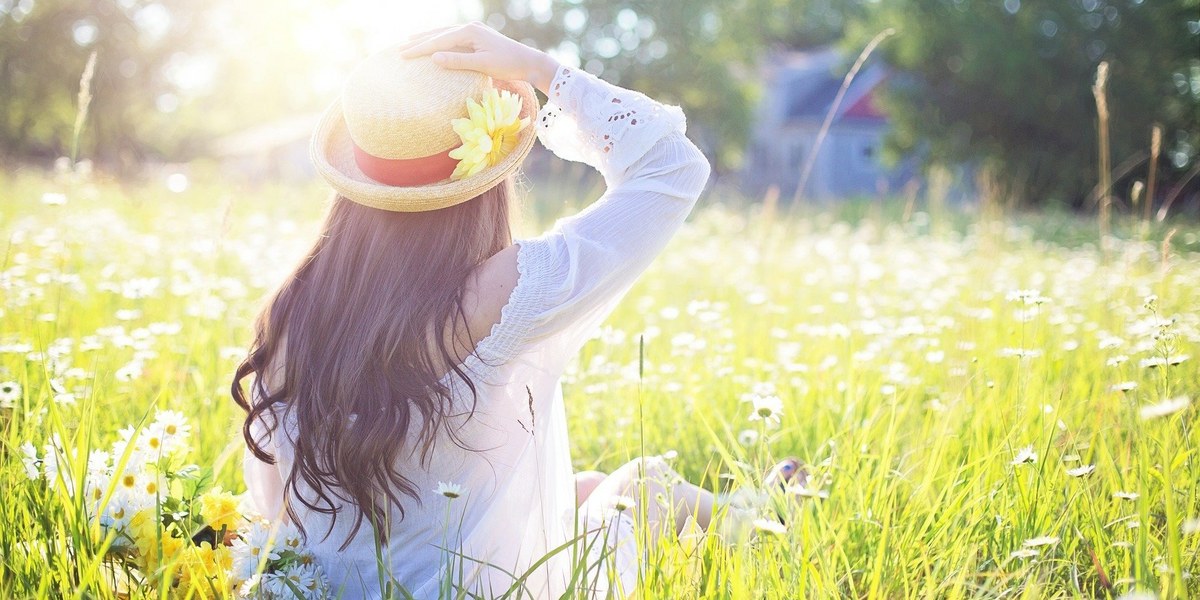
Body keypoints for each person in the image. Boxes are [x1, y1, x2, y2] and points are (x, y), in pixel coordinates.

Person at [232, 23, 797, 599]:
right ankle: (765, 520)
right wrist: (543, 70)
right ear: (488, 173)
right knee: (642, 485)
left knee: (586, 487)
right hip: (487, 591)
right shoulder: (500, 293)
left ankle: (755, 504)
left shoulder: (291, 307)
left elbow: (274, 507)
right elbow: (673, 167)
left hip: (332, 590)